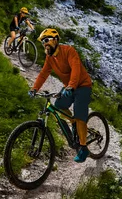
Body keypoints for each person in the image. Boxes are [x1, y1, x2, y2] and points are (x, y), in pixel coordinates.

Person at [28, 28, 93, 163]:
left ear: (56, 40)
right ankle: (73, 122)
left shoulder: (69, 51)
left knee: (80, 115)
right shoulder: (50, 57)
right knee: (58, 105)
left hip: (83, 85)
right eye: (42, 42)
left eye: (47, 40)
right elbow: (43, 73)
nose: (45, 44)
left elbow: (75, 69)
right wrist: (34, 89)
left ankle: (83, 147)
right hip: (69, 86)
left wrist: (71, 86)